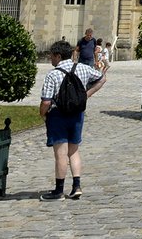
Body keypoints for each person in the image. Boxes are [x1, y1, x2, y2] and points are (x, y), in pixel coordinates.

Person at [38, 39, 106, 201]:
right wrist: (85, 96)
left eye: (52, 56)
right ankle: (76, 186)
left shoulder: (53, 74)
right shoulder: (83, 68)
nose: (50, 60)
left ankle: (59, 191)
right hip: (77, 114)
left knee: (60, 154)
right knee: (73, 151)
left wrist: (42, 114)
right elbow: (102, 78)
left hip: (58, 115)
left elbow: (46, 101)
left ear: (58, 56)